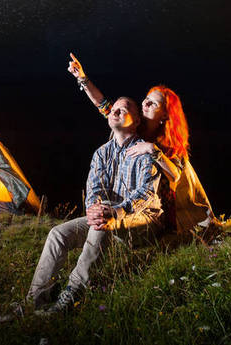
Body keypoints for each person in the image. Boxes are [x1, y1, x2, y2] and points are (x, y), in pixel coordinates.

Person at [26, 96, 165, 314]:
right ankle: (35, 300)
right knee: (57, 234)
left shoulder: (144, 150)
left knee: (103, 223)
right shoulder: (101, 153)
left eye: (124, 109)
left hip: (143, 219)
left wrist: (115, 211)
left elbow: (146, 194)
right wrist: (94, 209)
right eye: (114, 109)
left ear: (137, 121)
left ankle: (71, 295)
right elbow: (94, 191)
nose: (116, 111)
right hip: (107, 216)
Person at [67, 53, 213, 235]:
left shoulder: (168, 142)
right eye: (146, 98)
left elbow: (175, 176)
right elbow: (103, 105)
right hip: (126, 197)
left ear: (165, 115)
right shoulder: (134, 124)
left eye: (153, 103)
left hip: (155, 201)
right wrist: (82, 78)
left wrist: (153, 150)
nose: (145, 102)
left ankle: (165, 228)